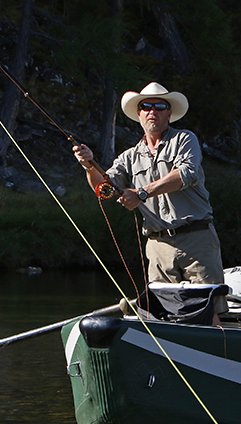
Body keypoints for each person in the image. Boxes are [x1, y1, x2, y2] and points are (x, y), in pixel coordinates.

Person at [72, 82, 223, 320]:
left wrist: (141, 192)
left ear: (169, 113)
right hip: (157, 245)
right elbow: (105, 190)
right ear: (139, 114)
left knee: (209, 312)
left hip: (197, 239)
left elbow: (187, 174)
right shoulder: (129, 157)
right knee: (162, 315)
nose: (153, 111)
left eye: (160, 106)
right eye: (146, 106)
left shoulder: (185, 139)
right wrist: (89, 166)